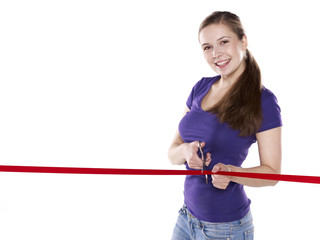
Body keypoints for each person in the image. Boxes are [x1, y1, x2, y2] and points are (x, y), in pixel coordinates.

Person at [168, 11, 282, 240]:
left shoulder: (263, 101)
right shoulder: (200, 87)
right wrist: (186, 151)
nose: (215, 54)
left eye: (223, 42)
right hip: (186, 218)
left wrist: (233, 173)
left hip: (225, 229)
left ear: (243, 41)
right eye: (207, 47)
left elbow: (272, 174)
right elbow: (173, 152)